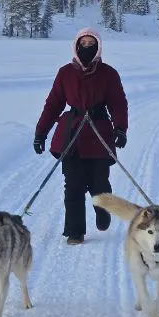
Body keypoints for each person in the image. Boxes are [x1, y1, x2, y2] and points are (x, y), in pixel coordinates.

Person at [33, 27, 129, 245]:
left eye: (91, 43)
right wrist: (41, 132)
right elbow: (53, 105)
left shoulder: (109, 74)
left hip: (99, 133)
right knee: (73, 185)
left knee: (99, 183)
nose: (87, 47)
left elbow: (118, 103)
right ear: (76, 46)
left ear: (98, 46)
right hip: (72, 135)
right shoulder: (65, 73)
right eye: (83, 43)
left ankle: (103, 210)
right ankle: (75, 231)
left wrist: (120, 128)